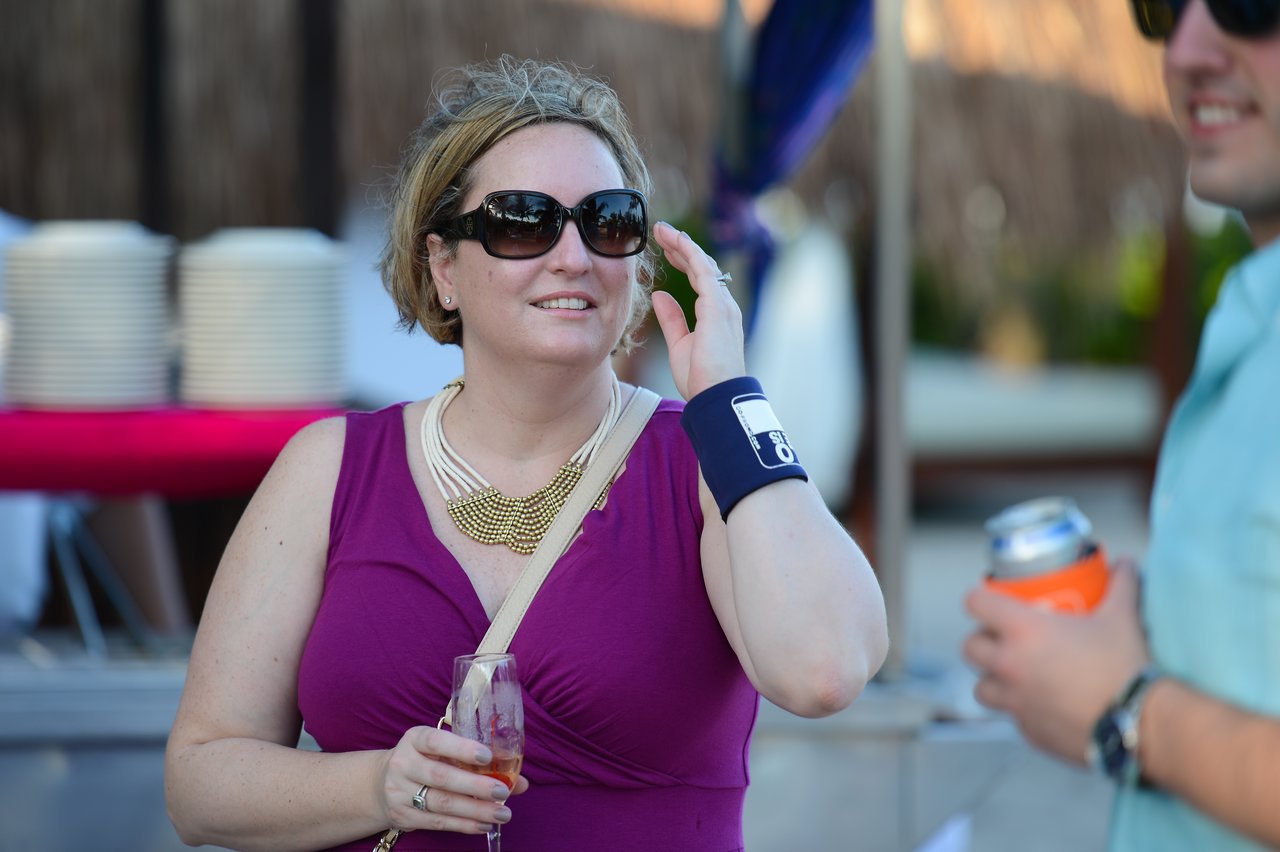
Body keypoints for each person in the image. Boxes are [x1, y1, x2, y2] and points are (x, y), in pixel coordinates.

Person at [165, 56, 888, 852]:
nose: (573, 256)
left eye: (607, 221)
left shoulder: (701, 461)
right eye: (522, 221)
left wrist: (731, 398)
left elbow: (827, 671)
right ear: (442, 268)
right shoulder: (330, 468)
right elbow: (200, 784)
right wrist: (378, 786)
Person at [963, 1, 1280, 849]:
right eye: (1166, 8)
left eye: (1251, 5)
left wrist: (1129, 708)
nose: (1185, 49)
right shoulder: (1253, 328)